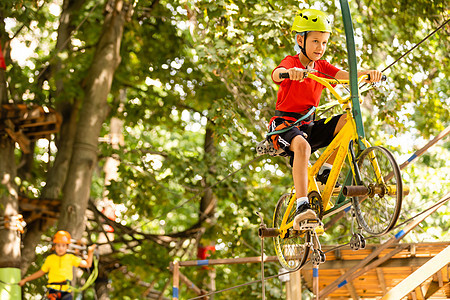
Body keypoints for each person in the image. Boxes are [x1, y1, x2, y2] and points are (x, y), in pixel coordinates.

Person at [268, 9, 382, 229]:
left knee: (347, 122)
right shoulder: (291, 61)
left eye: (324, 42)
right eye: (315, 41)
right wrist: (289, 72)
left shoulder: (322, 67)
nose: (320, 47)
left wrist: (369, 73)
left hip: (308, 125)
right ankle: (302, 206)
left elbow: (346, 76)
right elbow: (276, 73)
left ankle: (325, 172)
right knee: (301, 146)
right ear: (301, 40)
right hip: (285, 126)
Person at [19, 230, 97, 300]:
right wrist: (25, 280)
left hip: (66, 291)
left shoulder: (71, 258)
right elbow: (41, 272)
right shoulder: (50, 258)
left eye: (63, 246)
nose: (60, 248)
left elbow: (87, 264)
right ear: (54, 246)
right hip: (53, 290)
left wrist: (90, 252)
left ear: (67, 247)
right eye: (58, 245)